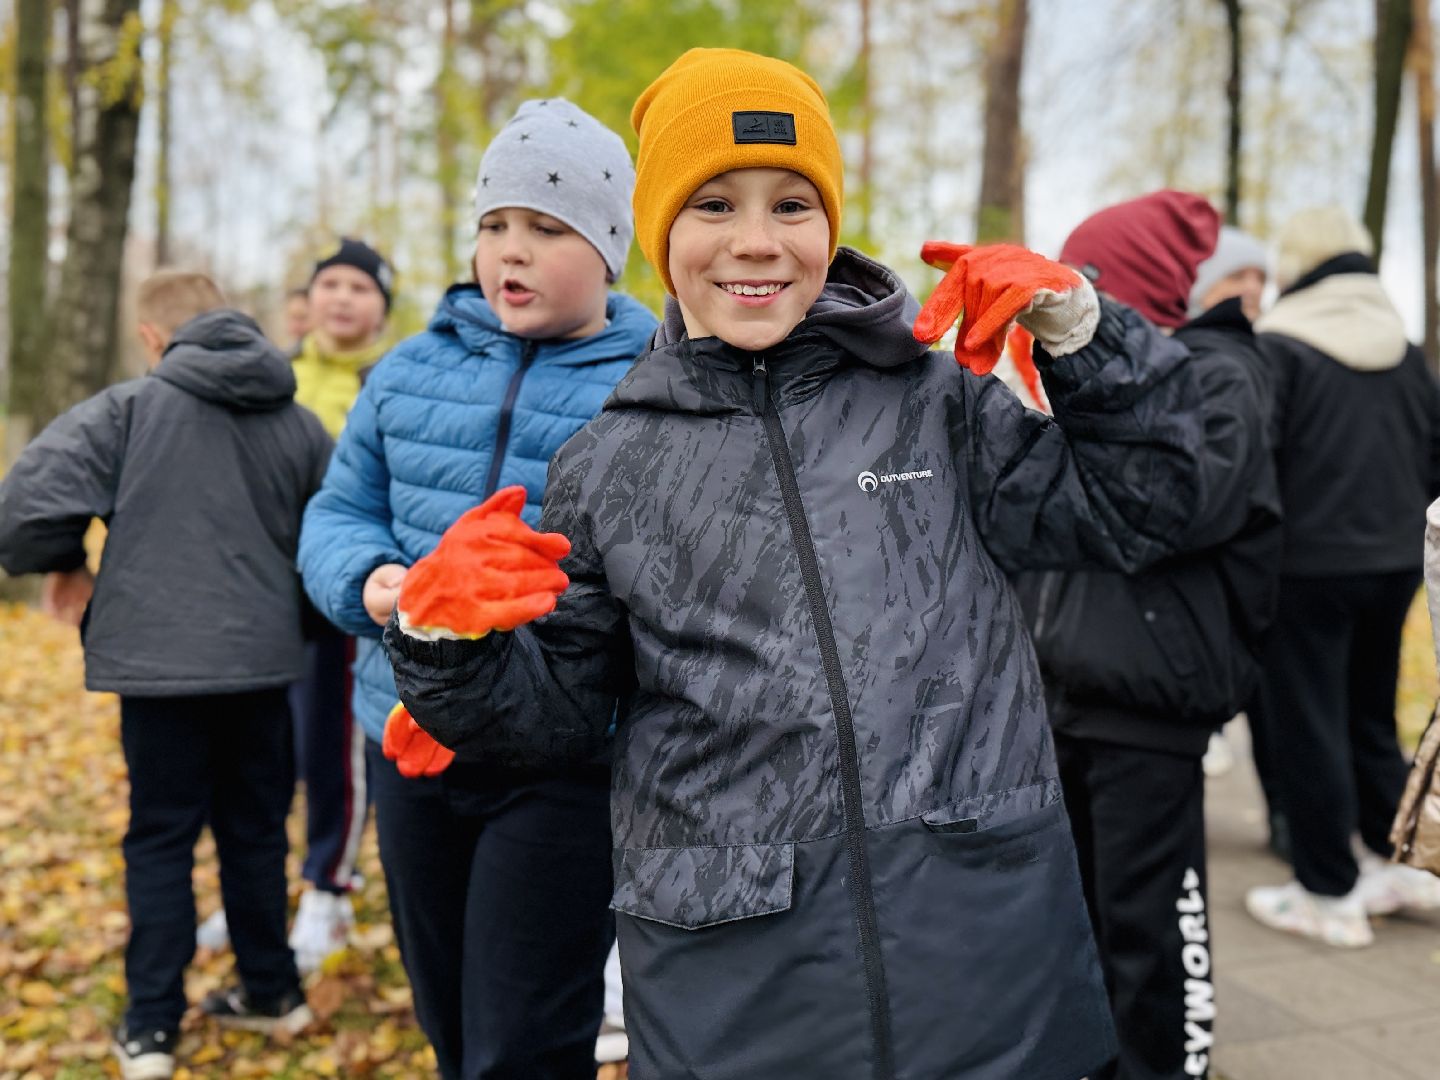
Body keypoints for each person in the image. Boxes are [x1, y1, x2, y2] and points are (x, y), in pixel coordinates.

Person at [382, 48, 1218, 1080]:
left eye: (791, 204)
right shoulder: (611, 461)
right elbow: (554, 716)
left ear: (831, 222)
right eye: (714, 205)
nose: (755, 242)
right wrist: (442, 641)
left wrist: (1090, 341)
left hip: (981, 956)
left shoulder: (935, 402)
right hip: (736, 988)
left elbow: (1153, 508)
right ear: (657, 233)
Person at [297, 99, 655, 1079]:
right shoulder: (408, 369)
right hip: (406, 739)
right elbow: (336, 513)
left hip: (563, 766)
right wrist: (375, 584)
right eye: (495, 225)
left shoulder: (656, 380)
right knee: (448, 1015)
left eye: (548, 228)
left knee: (526, 1037)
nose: (514, 250)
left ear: (611, 247)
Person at [0, 271, 329, 1080]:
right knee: (255, 834)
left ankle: (151, 1026)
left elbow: (21, 507)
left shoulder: (127, 411)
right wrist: (303, 628)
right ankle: (273, 992)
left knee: (161, 840)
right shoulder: (300, 423)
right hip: (263, 669)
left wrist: (63, 563)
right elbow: (330, 539)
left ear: (154, 339)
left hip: (158, 674)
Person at [1017, 192, 1281, 1080]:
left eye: (1091, 285)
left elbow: (1179, 509)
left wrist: (1108, 398)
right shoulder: (1100, 376)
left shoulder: (1216, 374)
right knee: (1080, 918)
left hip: (1149, 698)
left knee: (1150, 927)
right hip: (1073, 689)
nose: (1075, 305)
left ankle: (1169, 1067)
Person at [1242, 206, 1440, 947]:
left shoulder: (1282, 346)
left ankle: (1327, 891)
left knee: (1308, 720)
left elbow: (1257, 460)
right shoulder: (1407, 350)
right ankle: (1402, 866)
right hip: (1393, 565)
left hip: (1307, 568)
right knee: (1367, 713)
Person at [196, 238, 393, 974]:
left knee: (332, 749)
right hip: (257, 592)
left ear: (382, 306)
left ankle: (327, 888)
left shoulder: (389, 379)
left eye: (360, 287)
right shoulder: (269, 375)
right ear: (308, 300)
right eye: (330, 284)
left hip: (340, 595)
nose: (342, 298)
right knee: (259, 751)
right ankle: (256, 892)